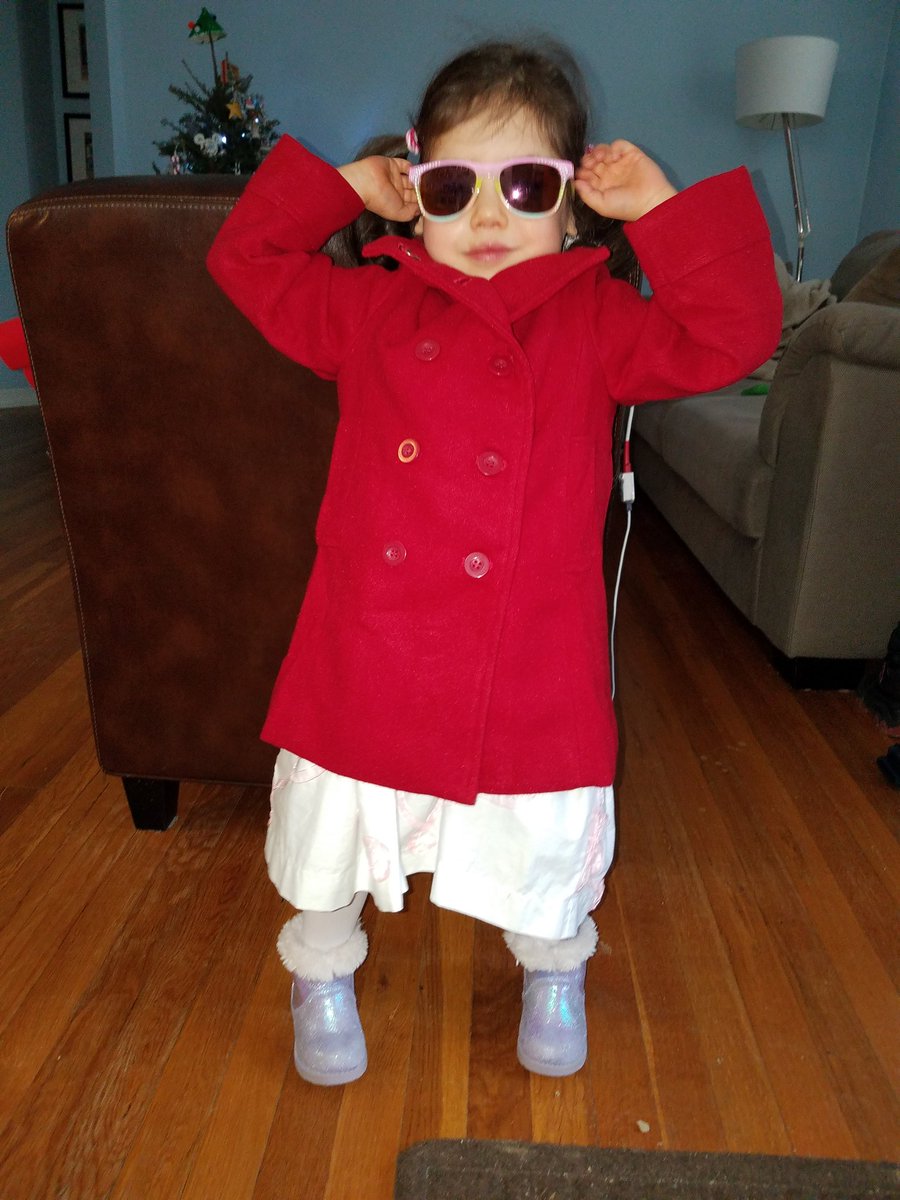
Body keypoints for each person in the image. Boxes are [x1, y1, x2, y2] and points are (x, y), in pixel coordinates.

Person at [207, 39, 781, 1086]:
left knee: (541, 830)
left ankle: (553, 964)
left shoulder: (602, 321)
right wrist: (339, 188)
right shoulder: (369, 307)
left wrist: (659, 208)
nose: (485, 214)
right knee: (333, 830)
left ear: (571, 208)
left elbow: (733, 333)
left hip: (527, 652)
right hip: (369, 638)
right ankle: (321, 969)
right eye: (451, 184)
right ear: (413, 195)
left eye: (523, 186)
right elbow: (245, 264)